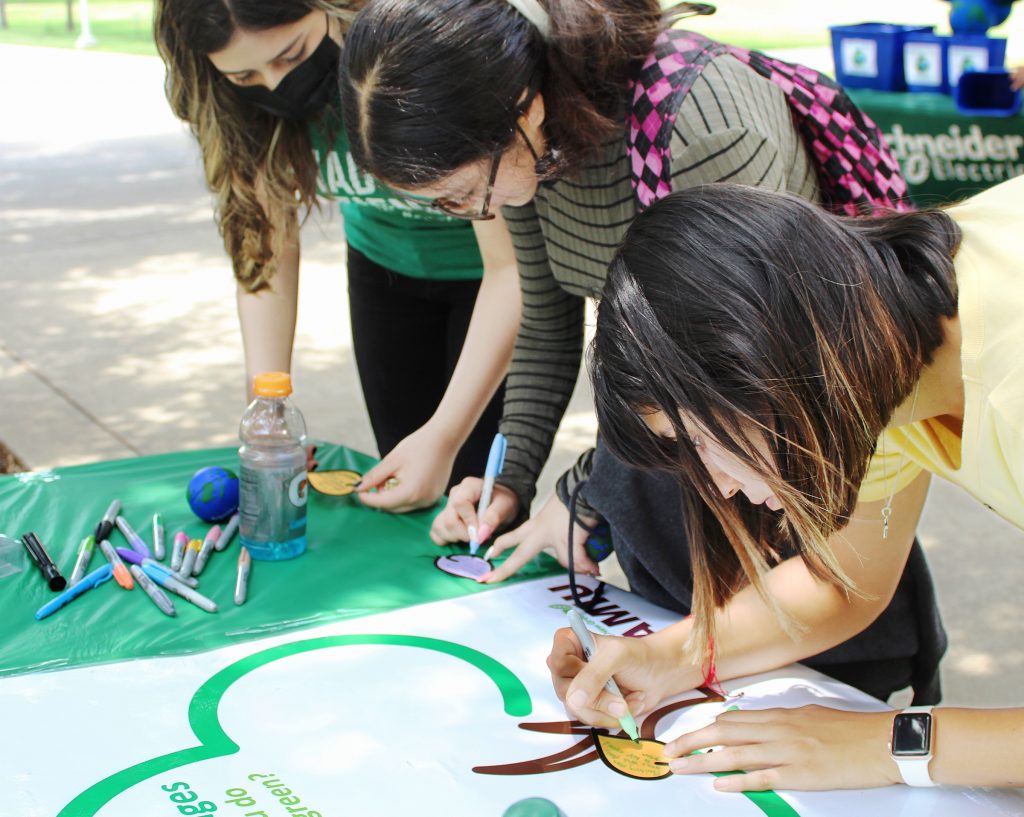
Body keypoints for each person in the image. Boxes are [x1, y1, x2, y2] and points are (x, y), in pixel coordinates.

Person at [339, 0, 947, 706]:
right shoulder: (532, 155)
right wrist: (515, 479)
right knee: (695, 692)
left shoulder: (702, 121)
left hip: (787, 461)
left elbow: (761, 372)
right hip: (699, 462)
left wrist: (588, 494)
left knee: (821, 690)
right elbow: (546, 315)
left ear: (523, 110)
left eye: (465, 193)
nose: (474, 217)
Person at [549, 176, 1024, 790]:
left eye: (702, 444)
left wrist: (895, 743)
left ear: (764, 363)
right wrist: (667, 656)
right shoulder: (868, 353)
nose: (717, 487)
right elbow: (847, 584)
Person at [154, 0, 520, 508]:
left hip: (495, 280)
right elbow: (265, 253)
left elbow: (511, 270)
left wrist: (444, 437)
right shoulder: (240, 108)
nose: (276, 85)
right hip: (383, 270)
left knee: (471, 484)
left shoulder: (415, 54)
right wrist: (267, 411)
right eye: (244, 76)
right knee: (402, 471)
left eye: (291, 54)